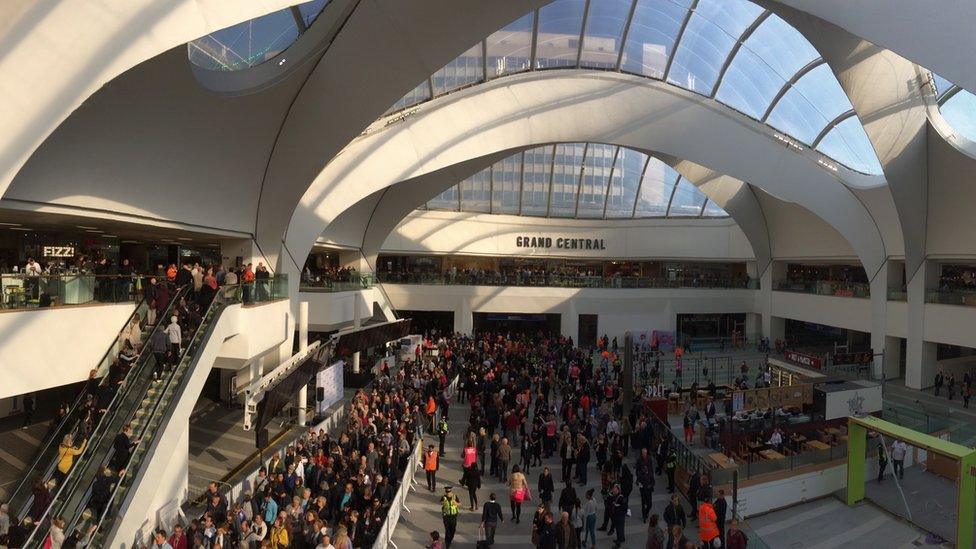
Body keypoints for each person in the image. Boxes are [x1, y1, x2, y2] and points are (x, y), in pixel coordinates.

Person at [610, 483, 628, 547]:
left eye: (614, 489)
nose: (613, 490)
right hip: (617, 515)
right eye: (613, 489)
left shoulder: (621, 497)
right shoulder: (615, 496)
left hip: (620, 516)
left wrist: (616, 507)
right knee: (621, 529)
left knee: (619, 529)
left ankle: (618, 543)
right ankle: (622, 538)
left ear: (618, 489)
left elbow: (624, 507)